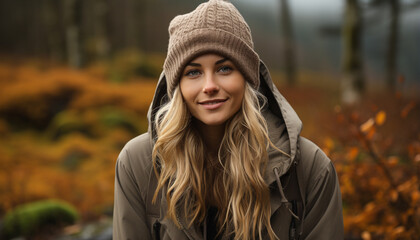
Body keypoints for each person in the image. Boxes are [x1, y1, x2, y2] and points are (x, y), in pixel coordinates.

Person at [112, 0, 343, 239]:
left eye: (224, 69)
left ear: (247, 77)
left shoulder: (310, 169)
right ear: (177, 86)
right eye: (193, 72)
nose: (210, 86)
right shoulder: (137, 164)